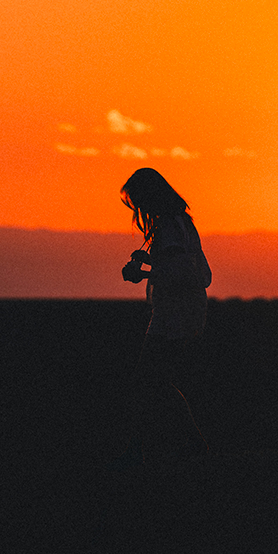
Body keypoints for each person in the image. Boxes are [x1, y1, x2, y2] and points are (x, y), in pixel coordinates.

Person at [120, 167, 213, 469]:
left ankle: (178, 448)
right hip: (184, 314)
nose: (137, 208)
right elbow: (194, 271)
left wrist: (142, 272)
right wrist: (151, 261)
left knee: (147, 383)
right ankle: (184, 446)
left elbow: (176, 273)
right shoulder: (182, 223)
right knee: (156, 382)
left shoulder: (169, 228)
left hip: (174, 316)